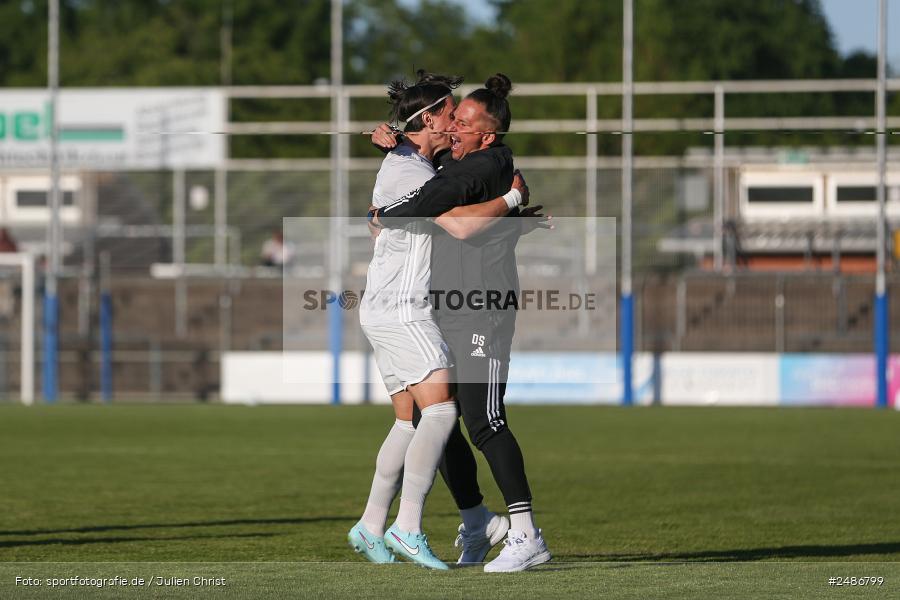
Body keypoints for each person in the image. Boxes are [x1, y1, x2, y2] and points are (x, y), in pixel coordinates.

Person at [371, 74, 552, 572]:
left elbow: (457, 221)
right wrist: (390, 139)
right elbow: (418, 165)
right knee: (439, 416)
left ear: (487, 135)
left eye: (464, 121)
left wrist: (389, 212)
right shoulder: (454, 159)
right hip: (444, 307)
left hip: (483, 308)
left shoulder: (490, 163)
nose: (454, 125)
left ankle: (526, 535)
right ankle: (475, 521)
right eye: (452, 117)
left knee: (486, 422)